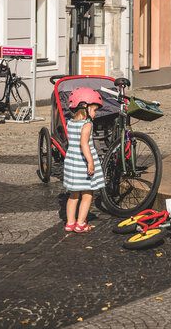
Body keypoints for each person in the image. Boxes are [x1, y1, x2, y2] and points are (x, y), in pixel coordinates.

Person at [64, 88, 105, 233]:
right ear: (85, 108)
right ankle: (81, 223)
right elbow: (84, 144)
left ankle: (70, 222)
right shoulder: (87, 125)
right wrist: (91, 162)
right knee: (87, 194)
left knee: (74, 194)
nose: (95, 114)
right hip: (83, 163)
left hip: (71, 162)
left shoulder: (70, 123)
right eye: (94, 110)